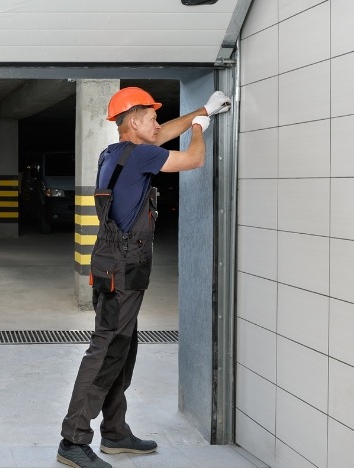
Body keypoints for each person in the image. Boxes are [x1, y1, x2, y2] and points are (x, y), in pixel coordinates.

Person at [56, 87, 231, 468]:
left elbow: (163, 134)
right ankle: (73, 439)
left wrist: (203, 109)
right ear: (133, 122)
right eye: (150, 117)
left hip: (113, 266)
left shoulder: (116, 153)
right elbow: (193, 159)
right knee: (106, 351)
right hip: (122, 269)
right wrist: (200, 127)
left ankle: (116, 432)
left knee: (123, 348)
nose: (157, 122)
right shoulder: (142, 155)